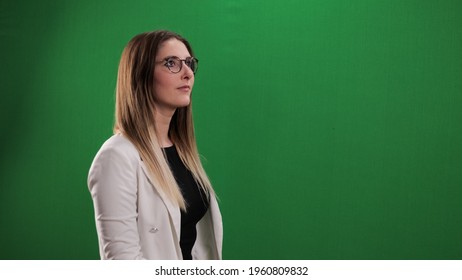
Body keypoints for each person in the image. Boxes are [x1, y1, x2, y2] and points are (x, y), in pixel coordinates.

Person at [87, 30, 222, 260]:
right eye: (172, 63)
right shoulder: (116, 157)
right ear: (140, 75)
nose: (188, 73)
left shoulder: (181, 150)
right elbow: (122, 262)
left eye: (189, 63)